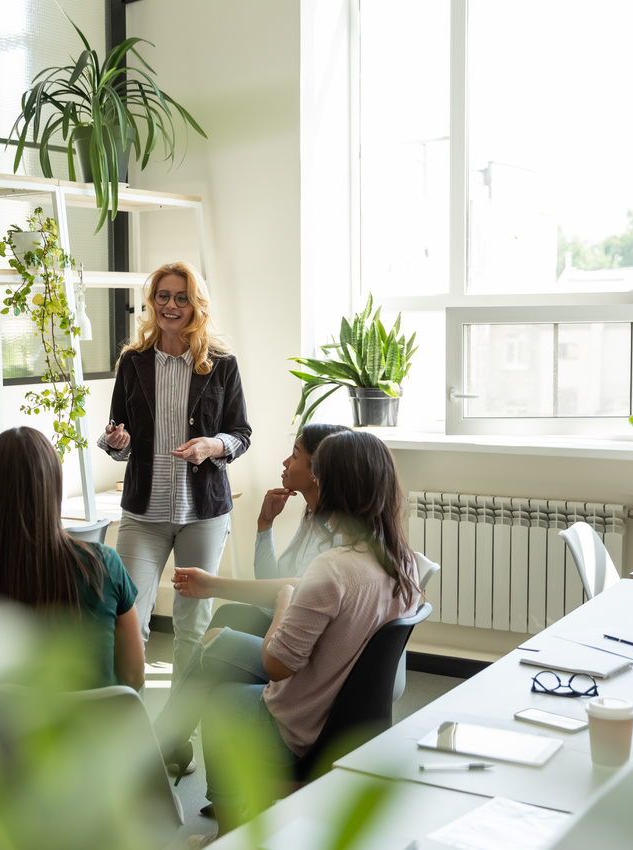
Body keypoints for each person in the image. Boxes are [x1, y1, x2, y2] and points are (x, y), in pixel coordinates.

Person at [152, 431, 421, 840]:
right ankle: (165, 749)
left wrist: (283, 603)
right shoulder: (401, 560)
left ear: (333, 487)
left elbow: (277, 666)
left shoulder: (333, 567)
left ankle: (227, 831)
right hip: (344, 711)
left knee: (221, 700)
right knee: (220, 646)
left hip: (303, 723)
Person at [100, 261, 252, 700]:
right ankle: (130, 722)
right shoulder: (132, 362)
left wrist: (212, 446)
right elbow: (119, 440)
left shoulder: (221, 364)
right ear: (152, 303)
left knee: (191, 627)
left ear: (195, 305)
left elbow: (241, 434)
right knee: (129, 618)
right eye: (163, 296)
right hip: (144, 513)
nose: (171, 305)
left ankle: (176, 733)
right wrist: (115, 439)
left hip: (202, 513)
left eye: (182, 297)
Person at [0, 427, 145, 690]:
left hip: (12, 731)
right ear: (53, 488)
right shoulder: (103, 564)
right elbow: (134, 676)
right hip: (100, 727)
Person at [171, 423, 350, 638]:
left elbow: (298, 595)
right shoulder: (313, 518)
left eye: (294, 456)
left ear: (317, 469)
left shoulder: (335, 532)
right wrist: (265, 524)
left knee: (216, 639)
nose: (285, 462)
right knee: (227, 616)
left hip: (306, 639)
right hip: (288, 621)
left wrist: (213, 585)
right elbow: (270, 595)